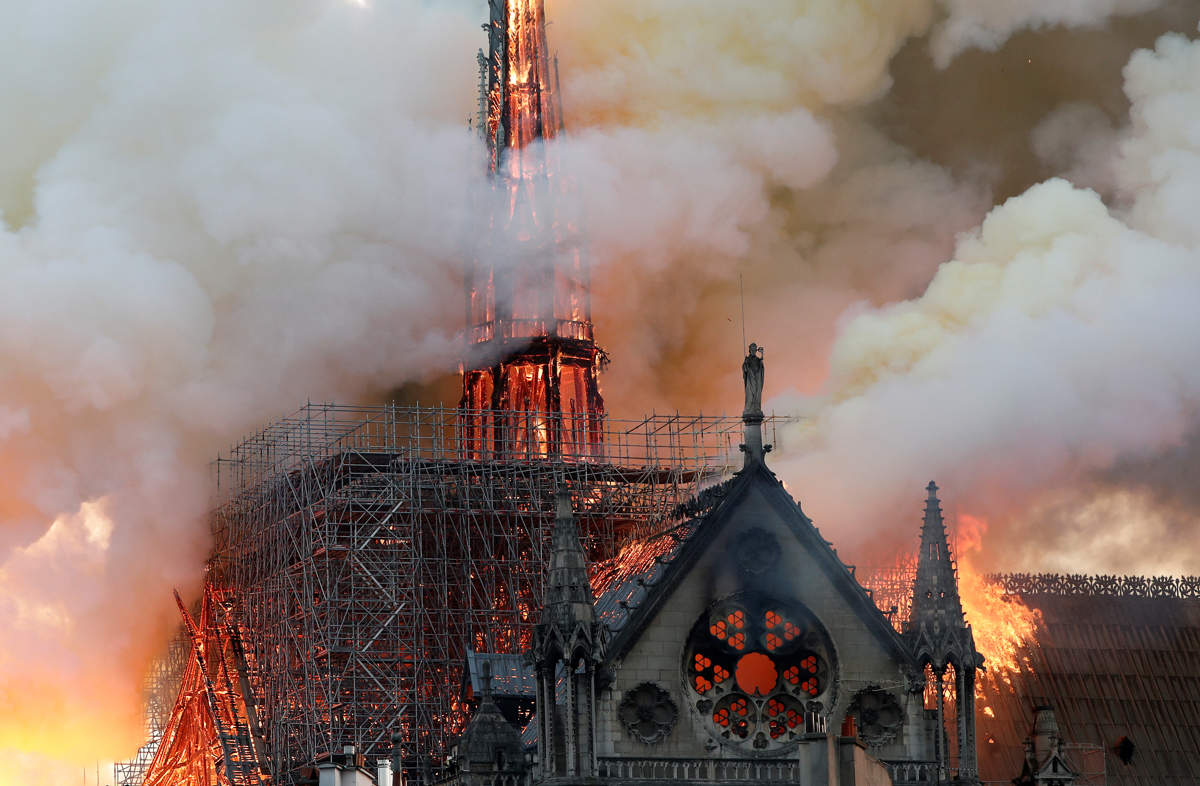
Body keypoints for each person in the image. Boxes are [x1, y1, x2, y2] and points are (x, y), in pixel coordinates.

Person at [742, 343, 764, 418]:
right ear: (750, 350)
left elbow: (761, 371)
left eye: (755, 350)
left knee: (757, 395)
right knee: (749, 395)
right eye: (752, 350)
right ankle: (749, 408)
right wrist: (745, 364)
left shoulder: (758, 360)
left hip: (757, 380)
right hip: (750, 381)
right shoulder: (747, 360)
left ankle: (756, 407)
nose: (753, 351)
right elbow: (745, 370)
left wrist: (761, 365)